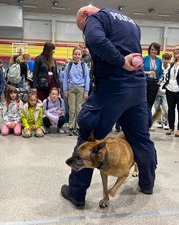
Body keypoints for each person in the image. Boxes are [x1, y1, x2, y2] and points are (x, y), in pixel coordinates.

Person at [61, 5, 156, 209]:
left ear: (86, 14)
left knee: (88, 138)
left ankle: (76, 193)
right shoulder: (131, 22)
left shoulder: (96, 19)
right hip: (137, 90)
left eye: (82, 27)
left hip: (113, 89)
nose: (84, 31)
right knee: (141, 138)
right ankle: (147, 183)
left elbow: (95, 39)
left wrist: (120, 61)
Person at [63, 47, 90, 136]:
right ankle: (71, 127)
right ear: (73, 55)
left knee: (79, 109)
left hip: (81, 88)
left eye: (79, 54)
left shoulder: (84, 65)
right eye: (75, 54)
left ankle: (78, 127)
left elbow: (87, 78)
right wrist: (65, 90)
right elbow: (65, 78)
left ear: (81, 55)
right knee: (71, 109)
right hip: (71, 88)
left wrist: (86, 91)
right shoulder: (69, 65)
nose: (77, 56)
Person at [154, 52, 172, 130]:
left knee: (166, 107)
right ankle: (159, 122)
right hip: (157, 90)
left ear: (170, 60)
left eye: (167, 59)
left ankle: (165, 122)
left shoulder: (171, 68)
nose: (165, 61)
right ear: (162, 59)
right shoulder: (158, 67)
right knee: (157, 106)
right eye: (164, 59)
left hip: (165, 91)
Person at [143, 42, 163, 109]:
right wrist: (147, 72)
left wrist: (160, 80)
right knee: (143, 102)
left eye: (155, 50)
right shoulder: (144, 58)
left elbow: (160, 72)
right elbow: (139, 71)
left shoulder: (159, 60)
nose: (153, 51)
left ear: (157, 51)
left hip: (154, 83)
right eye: (152, 49)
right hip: (145, 82)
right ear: (149, 50)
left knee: (150, 103)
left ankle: (148, 118)